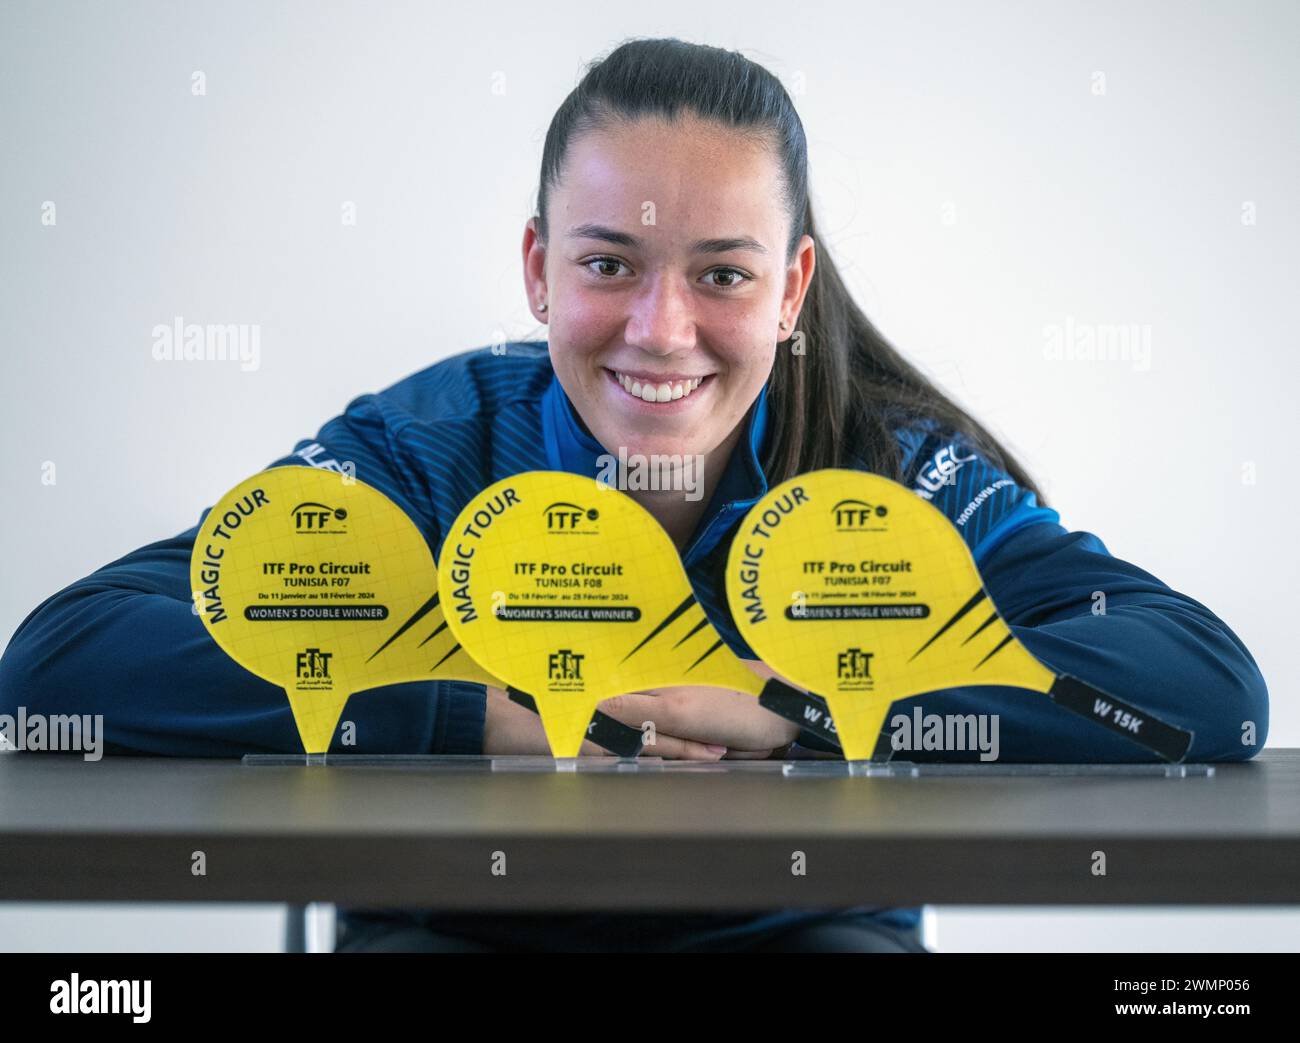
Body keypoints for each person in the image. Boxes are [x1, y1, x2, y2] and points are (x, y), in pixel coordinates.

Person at [0, 38, 1268, 954]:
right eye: (610, 264)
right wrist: (468, 709)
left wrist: (807, 711)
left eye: (721, 274)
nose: (661, 332)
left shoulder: (888, 470)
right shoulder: (429, 446)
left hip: (803, 933)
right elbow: (65, 658)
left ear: (789, 288)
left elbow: (1199, 685)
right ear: (541, 269)